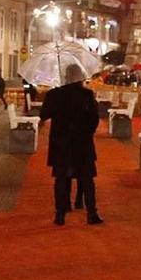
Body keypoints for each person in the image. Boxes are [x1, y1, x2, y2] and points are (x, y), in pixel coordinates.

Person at [38, 63, 102, 226]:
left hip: (61, 144)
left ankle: (60, 214)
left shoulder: (54, 94)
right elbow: (94, 119)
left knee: (61, 179)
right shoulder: (87, 95)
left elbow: (43, 114)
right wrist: (87, 132)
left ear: (65, 77)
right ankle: (91, 213)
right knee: (87, 179)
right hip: (82, 143)